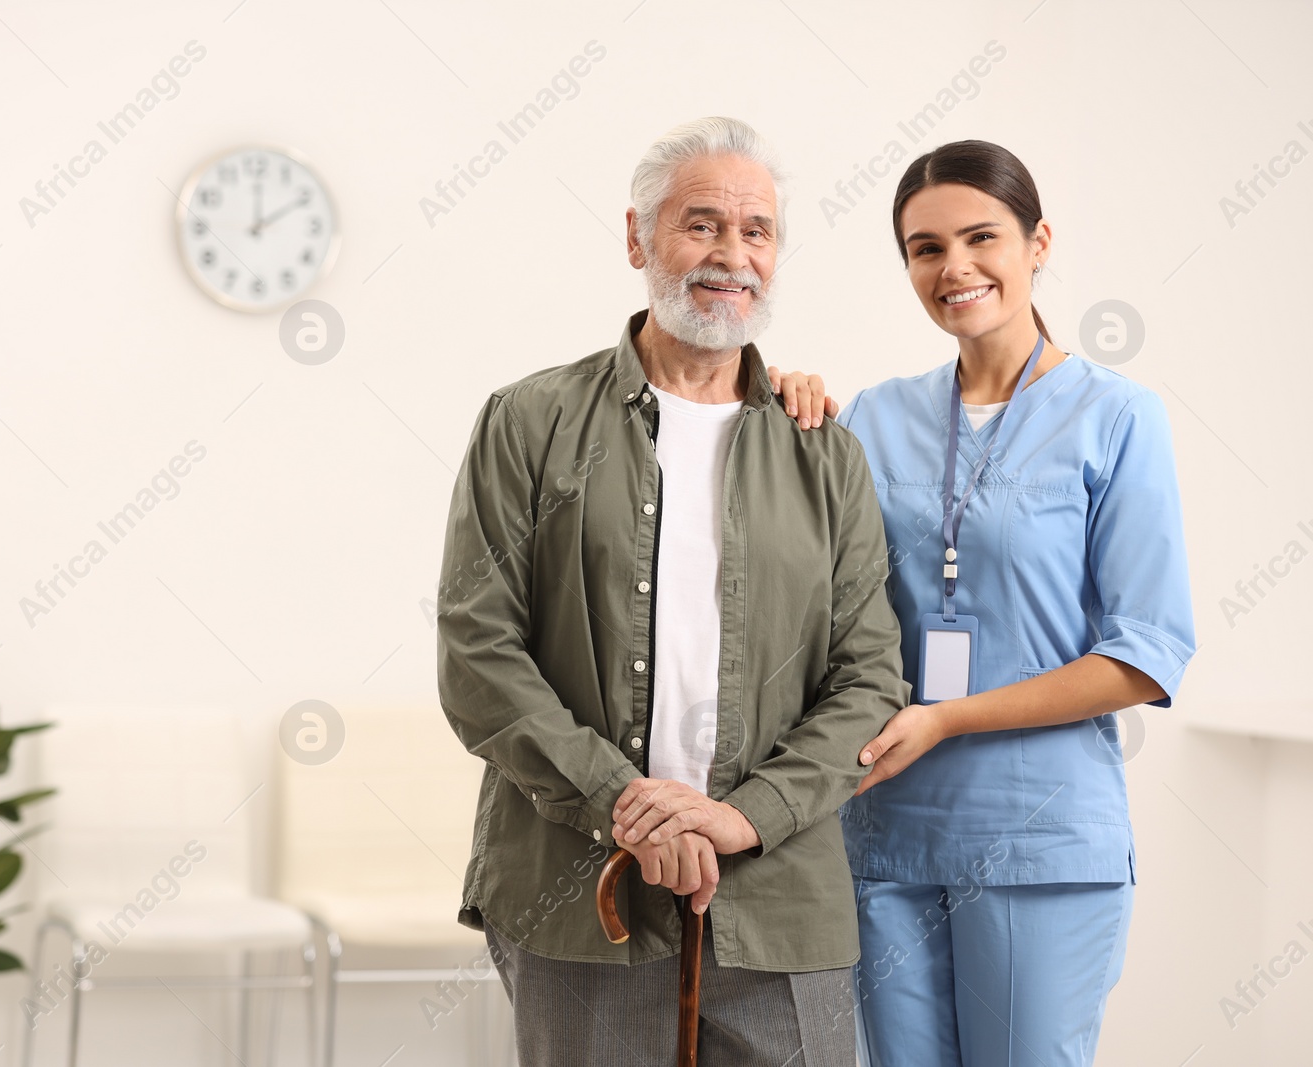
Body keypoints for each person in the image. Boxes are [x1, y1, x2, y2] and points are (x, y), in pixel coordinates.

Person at [623, 139, 1197, 1066]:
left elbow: (1145, 653)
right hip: (882, 838)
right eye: (926, 248)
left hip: (1039, 841)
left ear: (1038, 242)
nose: (955, 268)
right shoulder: (874, 414)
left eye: (982, 238)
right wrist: (784, 391)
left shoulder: (1116, 418)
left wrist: (946, 718)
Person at [435, 116, 910, 1066]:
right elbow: (478, 653)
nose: (731, 256)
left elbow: (870, 680)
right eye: (701, 225)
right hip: (583, 890)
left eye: (758, 232)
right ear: (637, 237)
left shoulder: (826, 450)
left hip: (782, 899)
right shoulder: (528, 422)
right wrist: (626, 805)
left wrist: (746, 816)